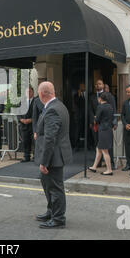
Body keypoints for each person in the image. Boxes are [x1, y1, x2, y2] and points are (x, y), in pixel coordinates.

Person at [34, 82, 72, 229]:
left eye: (38, 92)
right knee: (48, 185)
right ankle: (51, 211)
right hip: (55, 154)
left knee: (55, 188)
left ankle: (58, 218)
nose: (38, 95)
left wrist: (44, 162)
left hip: (53, 156)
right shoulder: (57, 105)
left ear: (43, 93)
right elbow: (50, 132)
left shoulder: (52, 109)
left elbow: (51, 138)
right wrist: (40, 134)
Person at [89, 79, 117, 167]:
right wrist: (92, 122)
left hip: (106, 125)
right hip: (96, 124)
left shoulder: (109, 96)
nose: (98, 85)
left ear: (103, 85)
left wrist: (114, 122)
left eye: (100, 84)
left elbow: (113, 109)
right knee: (97, 143)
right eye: (96, 84)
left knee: (108, 144)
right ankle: (98, 163)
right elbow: (90, 110)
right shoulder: (92, 97)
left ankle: (111, 163)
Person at [88, 93, 114, 175]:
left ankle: (109, 170)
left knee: (104, 150)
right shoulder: (110, 107)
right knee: (98, 149)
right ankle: (94, 167)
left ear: (100, 99)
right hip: (109, 129)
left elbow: (97, 119)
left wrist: (95, 118)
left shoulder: (100, 107)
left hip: (103, 130)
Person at [19, 87, 35, 162]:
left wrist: (31, 119)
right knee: (25, 141)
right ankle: (26, 156)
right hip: (23, 125)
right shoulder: (22, 102)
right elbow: (18, 112)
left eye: (29, 92)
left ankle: (35, 156)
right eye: (26, 92)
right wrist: (21, 119)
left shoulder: (36, 101)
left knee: (34, 141)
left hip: (33, 125)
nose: (28, 93)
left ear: (33, 92)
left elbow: (39, 113)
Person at [73, 83, 86, 149]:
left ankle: (88, 145)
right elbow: (76, 103)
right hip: (78, 116)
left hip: (86, 116)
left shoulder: (88, 94)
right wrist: (79, 95)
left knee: (87, 130)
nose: (83, 87)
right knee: (77, 131)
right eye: (81, 86)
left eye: (84, 86)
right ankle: (76, 145)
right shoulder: (76, 95)